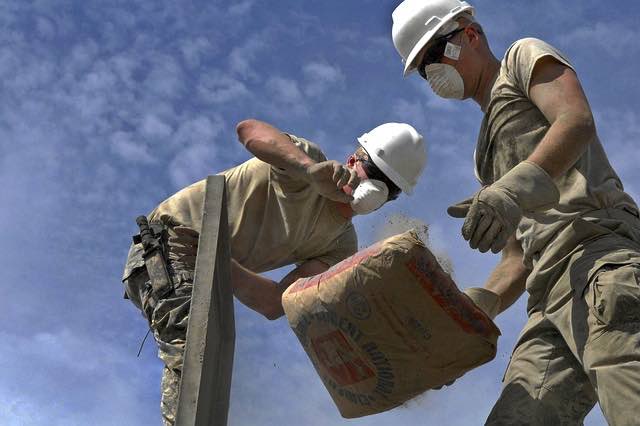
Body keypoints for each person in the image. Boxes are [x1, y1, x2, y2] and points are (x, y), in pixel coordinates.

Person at [392, 1, 640, 424]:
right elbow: (517, 258)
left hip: (597, 260)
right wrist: (471, 311)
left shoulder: (521, 59)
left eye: (434, 54)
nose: (431, 72)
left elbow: (575, 120)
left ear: (469, 34)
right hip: (546, 300)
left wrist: (513, 187)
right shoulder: (482, 155)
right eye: (421, 68)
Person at [121, 118, 426, 425]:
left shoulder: (340, 245)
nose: (375, 190)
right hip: (169, 244)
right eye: (373, 173)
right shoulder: (305, 163)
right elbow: (248, 131)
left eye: (389, 189)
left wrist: (220, 259)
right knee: (194, 352)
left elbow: (273, 303)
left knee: (212, 365)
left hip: (208, 269)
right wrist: (306, 169)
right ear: (352, 160)